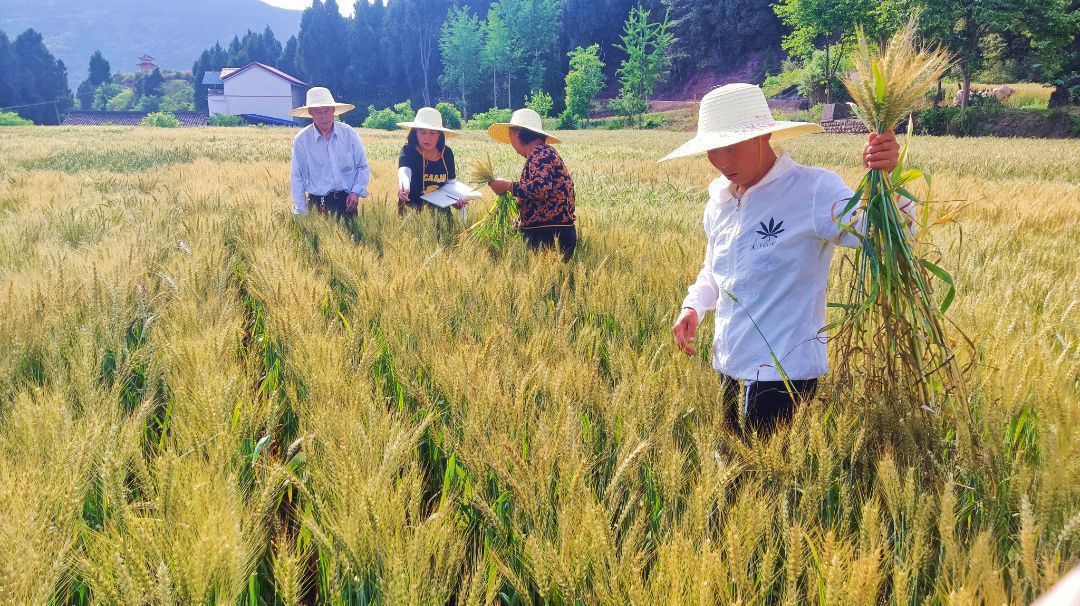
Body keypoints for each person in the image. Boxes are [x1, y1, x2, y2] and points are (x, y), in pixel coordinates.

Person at [663, 83, 905, 434]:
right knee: (728, 461)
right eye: (712, 150)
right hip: (728, 366)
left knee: (771, 468)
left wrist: (887, 177)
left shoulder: (812, 190)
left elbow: (880, 234)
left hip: (784, 377)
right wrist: (693, 308)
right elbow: (715, 270)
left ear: (764, 135)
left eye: (731, 146)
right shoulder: (720, 202)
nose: (722, 161)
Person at [488, 108, 577, 261]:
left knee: (547, 275)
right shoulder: (546, 153)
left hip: (547, 234)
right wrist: (523, 220)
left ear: (517, 133)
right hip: (558, 231)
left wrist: (508, 186)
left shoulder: (539, 154)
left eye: (510, 135)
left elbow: (540, 189)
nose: (511, 142)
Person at [289, 87, 371, 218]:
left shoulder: (348, 133)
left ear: (334, 110)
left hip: (348, 201)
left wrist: (355, 192)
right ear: (310, 113)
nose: (323, 116)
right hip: (318, 203)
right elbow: (297, 177)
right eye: (318, 112)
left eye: (327, 111)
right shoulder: (302, 140)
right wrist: (302, 212)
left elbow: (362, 166)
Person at [396, 106, 467, 214]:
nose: (427, 138)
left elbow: (451, 183)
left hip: (441, 213)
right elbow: (404, 171)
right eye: (422, 132)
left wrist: (456, 201)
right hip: (412, 212)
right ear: (415, 132)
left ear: (439, 134)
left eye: (432, 133)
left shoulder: (446, 153)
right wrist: (404, 188)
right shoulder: (409, 151)